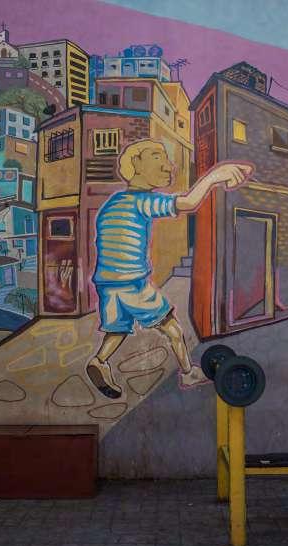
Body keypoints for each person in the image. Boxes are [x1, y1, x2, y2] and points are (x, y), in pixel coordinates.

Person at [85, 139, 253, 399]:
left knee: (117, 328)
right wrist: (215, 176)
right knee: (172, 328)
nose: (169, 165)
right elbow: (188, 202)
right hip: (132, 282)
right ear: (136, 163)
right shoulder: (142, 201)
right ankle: (188, 372)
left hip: (106, 283)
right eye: (157, 157)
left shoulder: (113, 203)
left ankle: (99, 361)